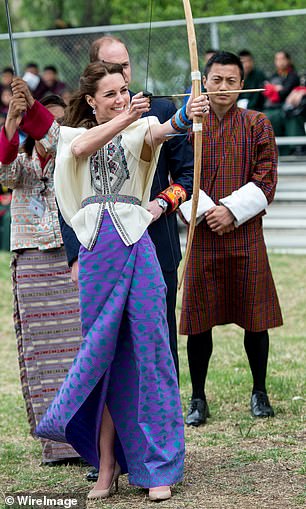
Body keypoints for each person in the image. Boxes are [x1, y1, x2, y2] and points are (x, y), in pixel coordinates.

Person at [33, 61, 209, 501]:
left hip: (137, 245)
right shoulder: (77, 135)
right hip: (97, 252)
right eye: (110, 93)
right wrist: (125, 118)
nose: (121, 98)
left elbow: (164, 129)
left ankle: (157, 467)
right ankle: (107, 467)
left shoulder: (140, 126)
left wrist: (192, 111)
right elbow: (76, 150)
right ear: (91, 100)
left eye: (124, 90)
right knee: (104, 357)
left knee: (151, 351)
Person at [61, 36, 194, 381]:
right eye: (113, 70)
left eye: (126, 67)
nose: (122, 82)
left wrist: (162, 204)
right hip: (100, 246)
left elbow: (186, 172)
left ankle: (161, 415)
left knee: (156, 333)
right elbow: (72, 171)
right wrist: (75, 255)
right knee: (104, 338)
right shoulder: (75, 131)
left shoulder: (154, 112)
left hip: (153, 239)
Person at [179, 51, 283, 427]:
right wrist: (209, 212)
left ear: (243, 84)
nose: (223, 88)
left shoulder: (257, 122)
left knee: (255, 318)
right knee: (198, 321)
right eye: (216, 80)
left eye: (231, 81)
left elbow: (266, 178)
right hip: (202, 233)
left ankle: (259, 391)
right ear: (203, 81)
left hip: (245, 232)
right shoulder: (189, 125)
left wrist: (231, 212)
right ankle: (198, 397)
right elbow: (181, 176)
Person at [0, 82, 83, 465]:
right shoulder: (21, 158)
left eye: (59, 121)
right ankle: (55, 441)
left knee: (79, 350)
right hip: (32, 261)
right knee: (42, 352)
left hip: (73, 259)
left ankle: (85, 435)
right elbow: (4, 175)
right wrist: (12, 124)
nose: (53, 128)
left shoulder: (75, 153)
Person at [263, 50, 305, 155]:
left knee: (285, 115)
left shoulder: (293, 75)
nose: (280, 62)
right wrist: (275, 89)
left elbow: (284, 93)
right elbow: (265, 89)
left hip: (288, 107)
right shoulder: (273, 76)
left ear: (289, 60)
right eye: (277, 59)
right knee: (267, 116)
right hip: (272, 107)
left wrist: (274, 90)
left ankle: (295, 149)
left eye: (283, 59)